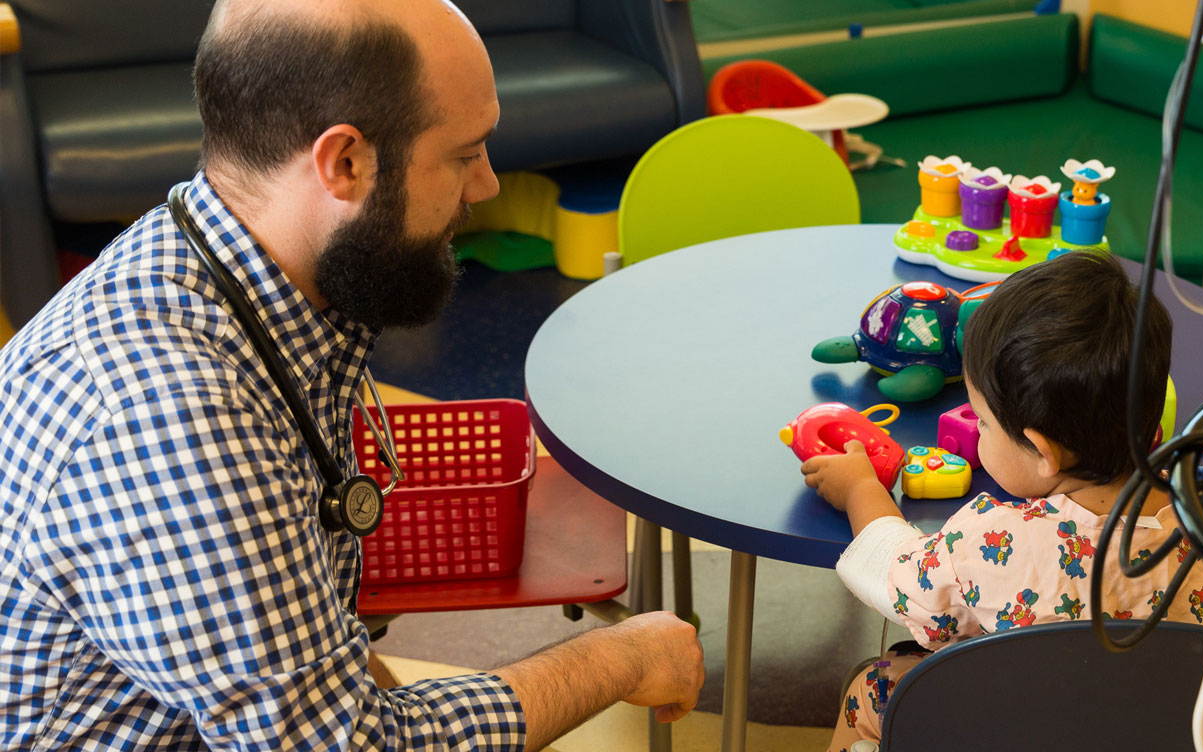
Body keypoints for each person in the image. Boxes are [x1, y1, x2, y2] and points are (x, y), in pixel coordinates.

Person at [0, 0, 704, 749]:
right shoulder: (174, 418)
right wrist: (620, 656)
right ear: (345, 162)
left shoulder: (228, 264)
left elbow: (297, 642)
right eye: (465, 155)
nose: (487, 185)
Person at [800, 251, 1203, 748]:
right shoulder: (1202, 527)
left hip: (1008, 727)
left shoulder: (994, 537)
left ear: (1043, 453)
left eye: (982, 422)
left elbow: (898, 577)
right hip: (1143, 727)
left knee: (873, 685)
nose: (978, 430)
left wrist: (861, 488)